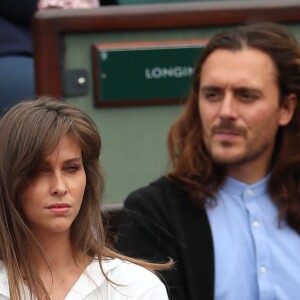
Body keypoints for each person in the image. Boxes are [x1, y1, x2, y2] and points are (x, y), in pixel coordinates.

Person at [115, 21, 300, 300]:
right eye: (212, 94)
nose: (226, 111)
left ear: (285, 108)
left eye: (246, 96)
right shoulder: (154, 214)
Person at [0, 98, 169, 300]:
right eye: (39, 171)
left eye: (71, 168)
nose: (60, 188)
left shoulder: (134, 287)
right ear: (10, 180)